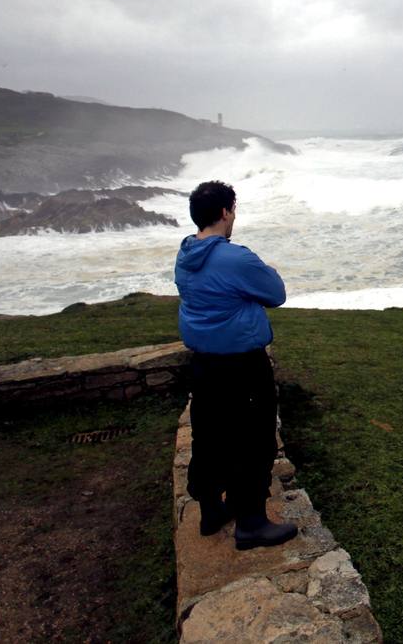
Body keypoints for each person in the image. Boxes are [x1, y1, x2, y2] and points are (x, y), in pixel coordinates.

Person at [175, 181, 297, 550]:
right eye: (234, 209)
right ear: (227, 212)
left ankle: (211, 510)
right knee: (253, 440)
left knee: (209, 435)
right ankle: (251, 523)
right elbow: (276, 293)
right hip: (241, 366)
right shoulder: (235, 257)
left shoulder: (186, 253)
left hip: (205, 365)